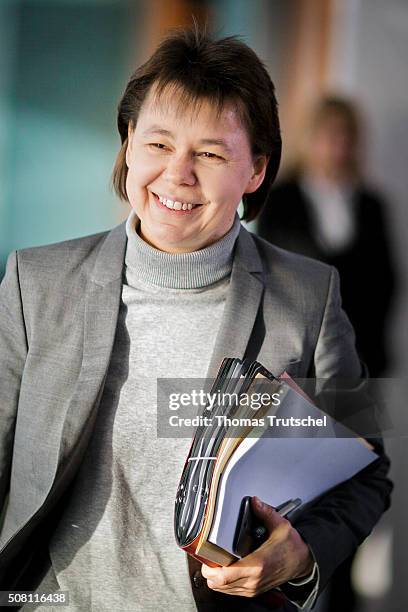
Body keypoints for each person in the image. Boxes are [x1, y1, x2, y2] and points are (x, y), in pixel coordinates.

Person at [0, 28, 392, 612]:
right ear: (129, 143)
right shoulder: (36, 282)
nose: (178, 173)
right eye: (158, 143)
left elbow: (368, 470)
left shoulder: (310, 295)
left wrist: (300, 553)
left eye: (210, 153)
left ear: (256, 170)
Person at [258, 96, 396, 378]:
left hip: (362, 350)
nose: (338, 146)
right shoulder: (280, 200)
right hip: (295, 348)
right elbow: (267, 271)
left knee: (353, 421)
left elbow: (386, 280)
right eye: (329, 135)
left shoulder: (372, 205)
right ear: (310, 138)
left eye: (346, 137)